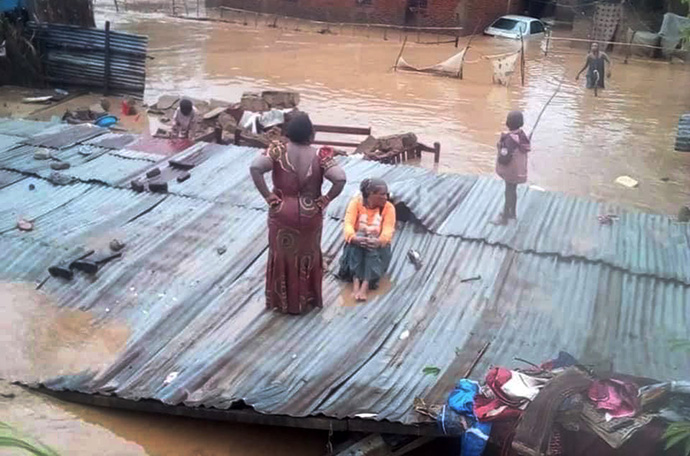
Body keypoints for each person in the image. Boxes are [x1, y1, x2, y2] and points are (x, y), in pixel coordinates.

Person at [250, 113, 346, 315]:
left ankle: (282, 302)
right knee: (308, 255)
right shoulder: (321, 155)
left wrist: (268, 196)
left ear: (289, 132)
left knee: (283, 255)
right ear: (311, 134)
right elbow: (340, 179)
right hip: (311, 213)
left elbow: (255, 168)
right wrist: (325, 199)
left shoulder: (277, 150)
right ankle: (306, 300)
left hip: (282, 211)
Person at [338, 178, 396, 302]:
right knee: (359, 235)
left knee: (371, 240)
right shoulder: (356, 203)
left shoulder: (389, 208)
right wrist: (354, 239)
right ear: (371, 194)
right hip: (357, 246)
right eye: (382, 194)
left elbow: (388, 230)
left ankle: (364, 284)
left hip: (377, 249)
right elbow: (348, 224)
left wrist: (379, 242)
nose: (386, 197)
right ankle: (356, 281)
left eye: (386, 194)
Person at [494, 111, 531, 225]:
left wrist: (500, 147)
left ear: (507, 123)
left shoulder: (509, 139)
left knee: (508, 192)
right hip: (518, 172)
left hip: (510, 172)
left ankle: (505, 216)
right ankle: (513, 214)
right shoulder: (522, 136)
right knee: (513, 191)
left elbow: (504, 158)